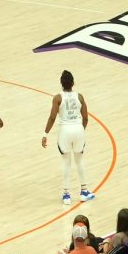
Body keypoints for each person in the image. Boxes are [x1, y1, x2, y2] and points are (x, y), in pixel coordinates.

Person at [41, 70, 95, 205]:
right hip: (78, 129)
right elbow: (86, 118)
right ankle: (84, 191)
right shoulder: (80, 97)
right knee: (79, 161)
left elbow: (52, 117)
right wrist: (81, 131)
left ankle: (66, 195)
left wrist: (45, 134)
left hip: (65, 131)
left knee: (66, 162)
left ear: (61, 84)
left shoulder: (57, 98)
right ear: (73, 83)